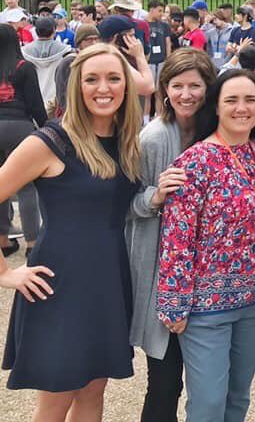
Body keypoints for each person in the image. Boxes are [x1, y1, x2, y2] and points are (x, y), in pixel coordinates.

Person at [0, 43, 141, 419]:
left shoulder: (126, 140)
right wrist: (6, 273)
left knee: (94, 392)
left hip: (108, 279)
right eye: (91, 79)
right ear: (75, 86)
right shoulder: (50, 141)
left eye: (114, 78)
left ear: (126, 85)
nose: (103, 88)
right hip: (60, 283)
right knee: (57, 399)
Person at [156, 68, 255, 422]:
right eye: (231, 100)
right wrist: (174, 304)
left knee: (237, 399)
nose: (242, 108)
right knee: (209, 403)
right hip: (206, 307)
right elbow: (177, 238)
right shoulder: (195, 162)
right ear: (215, 106)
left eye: (250, 100)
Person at [127, 48, 216, 422]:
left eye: (195, 86)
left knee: (209, 383)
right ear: (164, 90)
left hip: (210, 277)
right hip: (162, 278)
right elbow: (127, 203)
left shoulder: (219, 133)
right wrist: (156, 196)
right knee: (165, 381)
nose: (186, 94)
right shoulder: (152, 138)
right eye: (177, 86)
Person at [0, 25, 45, 258]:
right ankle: (32, 241)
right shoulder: (24, 67)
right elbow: (36, 104)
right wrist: (47, 127)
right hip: (19, 126)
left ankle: (3, 241)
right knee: (27, 186)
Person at [97, 15, 156, 98]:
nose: (135, 41)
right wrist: (140, 56)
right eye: (131, 36)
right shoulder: (112, 58)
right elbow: (147, 87)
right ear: (117, 38)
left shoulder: (98, 53)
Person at [21, 16, 71, 110]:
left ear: (36, 31)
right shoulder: (66, 51)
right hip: (56, 100)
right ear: (54, 30)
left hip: (33, 99)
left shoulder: (24, 52)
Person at [52, 24, 100, 117]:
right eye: (89, 40)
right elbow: (62, 92)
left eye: (96, 39)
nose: (94, 43)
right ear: (80, 42)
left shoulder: (100, 60)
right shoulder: (69, 62)